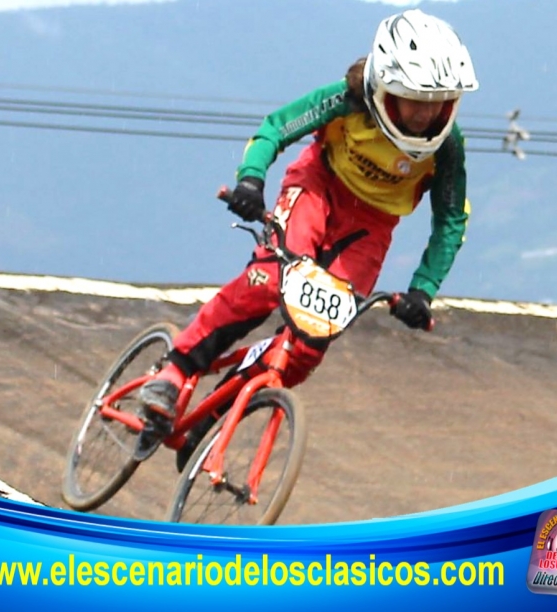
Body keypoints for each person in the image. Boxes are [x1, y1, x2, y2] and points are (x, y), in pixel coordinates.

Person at [139, 9, 479, 467]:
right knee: (267, 283)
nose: (425, 113)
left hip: (372, 227)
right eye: (413, 99)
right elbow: (276, 127)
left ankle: (215, 414)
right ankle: (175, 369)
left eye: (438, 101)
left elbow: (451, 220)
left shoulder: (448, 144)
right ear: (383, 88)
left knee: (310, 342)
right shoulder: (348, 99)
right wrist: (251, 180)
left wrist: (423, 290)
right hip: (318, 188)